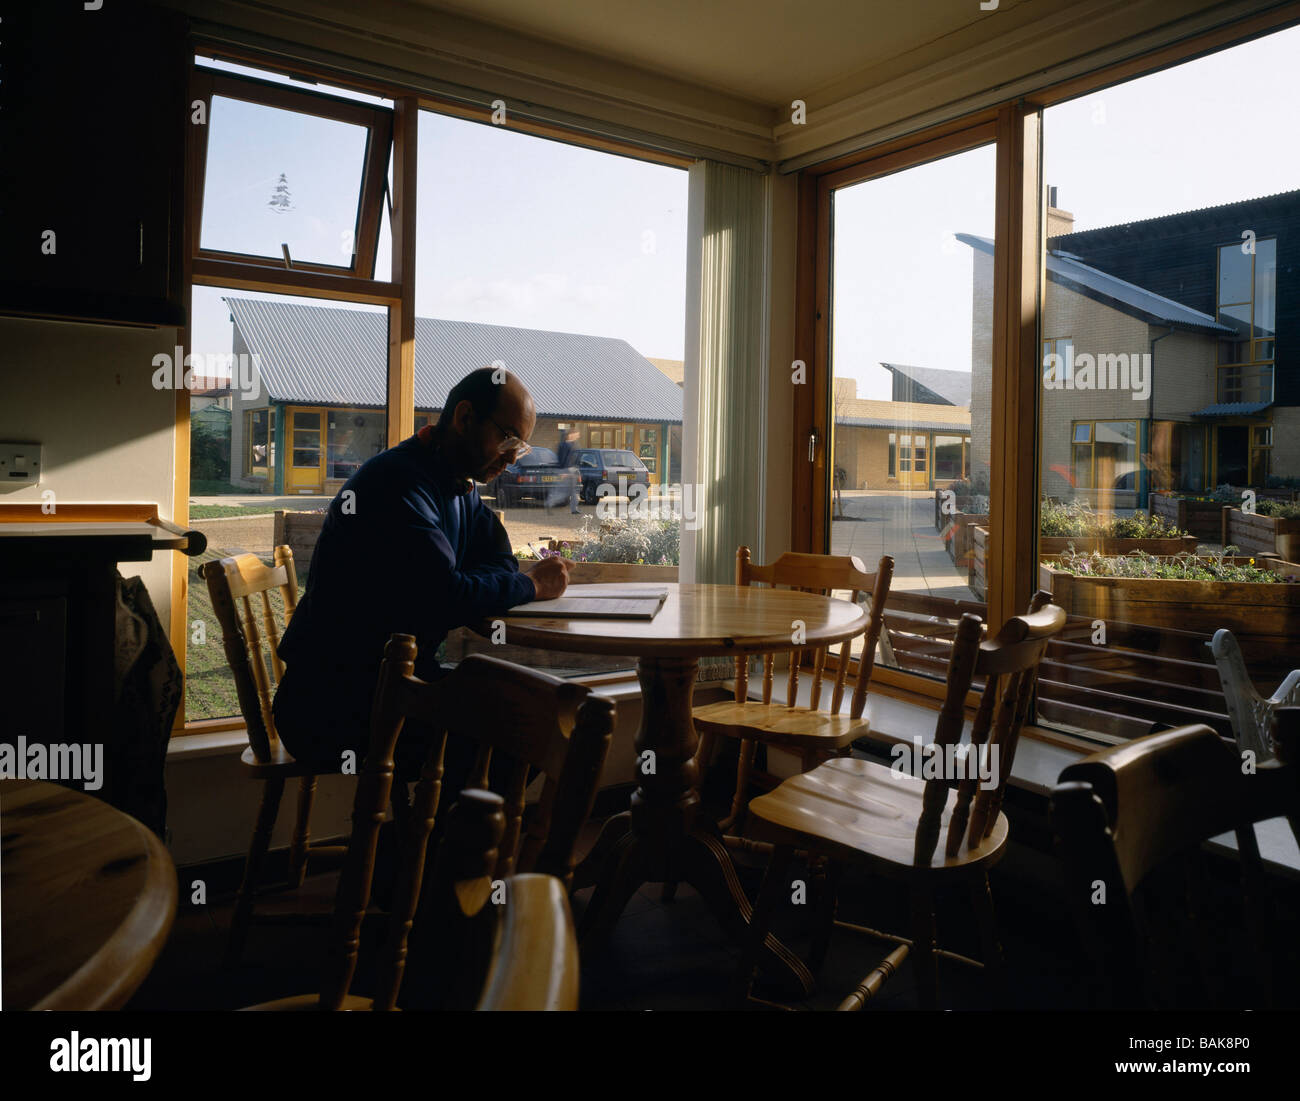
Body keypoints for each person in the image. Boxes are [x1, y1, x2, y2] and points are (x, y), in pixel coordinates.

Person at [271, 367, 571, 770]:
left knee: (535, 714)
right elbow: (446, 598)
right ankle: (438, 834)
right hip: (333, 706)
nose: (509, 459)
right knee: (528, 731)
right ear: (465, 418)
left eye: (519, 448)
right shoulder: (396, 483)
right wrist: (530, 586)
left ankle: (435, 833)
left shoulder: (457, 483)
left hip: (399, 683)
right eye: (507, 439)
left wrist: (475, 585)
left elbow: (493, 556)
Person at [557, 428, 581, 514]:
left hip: (573, 470)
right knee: (570, 490)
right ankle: (573, 508)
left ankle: (574, 509)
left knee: (572, 490)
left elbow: (576, 458)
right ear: (571, 434)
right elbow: (562, 458)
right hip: (567, 469)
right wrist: (564, 471)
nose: (578, 436)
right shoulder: (564, 445)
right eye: (576, 434)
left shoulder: (574, 444)